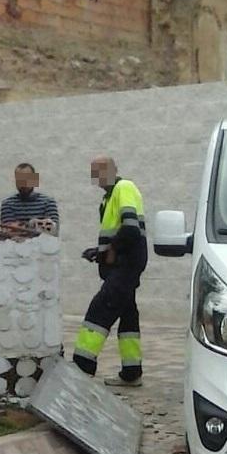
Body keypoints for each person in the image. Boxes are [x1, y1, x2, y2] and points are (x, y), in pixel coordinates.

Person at [72, 155, 148, 386]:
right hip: (123, 264)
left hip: (125, 266)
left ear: (114, 169)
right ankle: (131, 371)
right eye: (95, 172)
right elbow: (118, 232)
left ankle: (81, 368)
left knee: (100, 310)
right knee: (127, 316)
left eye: (101, 170)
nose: (98, 176)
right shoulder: (108, 199)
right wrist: (99, 251)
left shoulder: (124, 188)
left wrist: (112, 249)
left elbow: (131, 229)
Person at [0, 162, 59, 234]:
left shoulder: (48, 202)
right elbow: (9, 232)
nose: (23, 184)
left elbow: (53, 231)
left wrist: (24, 226)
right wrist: (36, 224)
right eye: (20, 179)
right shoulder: (8, 204)